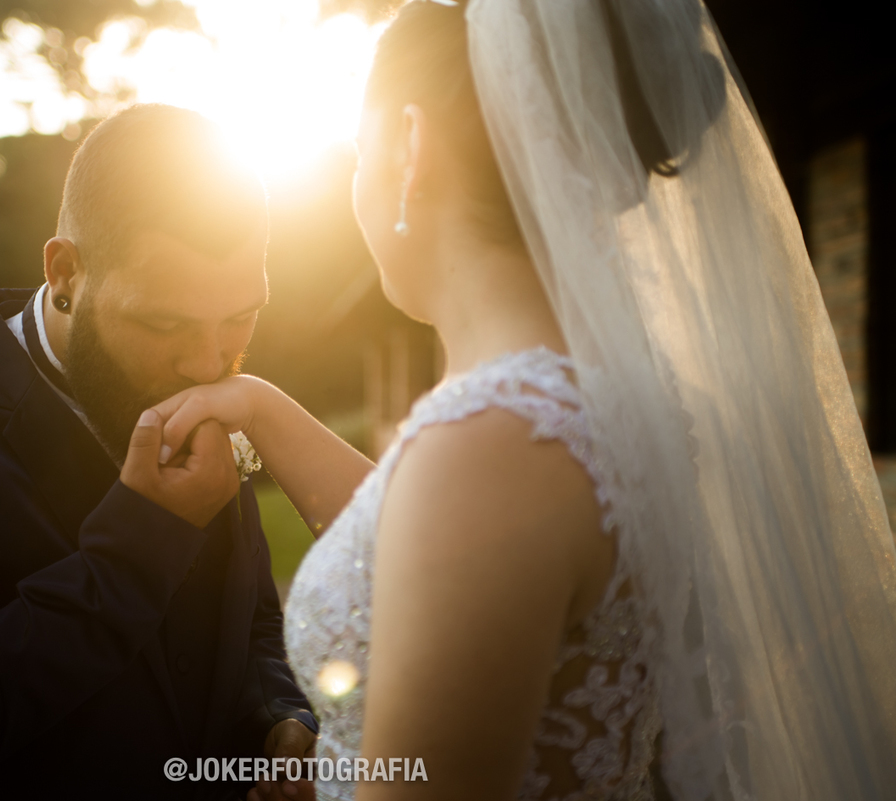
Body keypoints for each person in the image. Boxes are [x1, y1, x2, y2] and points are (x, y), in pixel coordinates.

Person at [151, 1, 896, 799]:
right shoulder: (601, 409)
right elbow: (432, 550)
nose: (357, 186)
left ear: (409, 145)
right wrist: (261, 407)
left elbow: (459, 515)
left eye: (360, 151)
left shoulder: (490, 449)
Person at [0, 104, 317, 800]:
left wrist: (277, 716)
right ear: (66, 272)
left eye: (239, 315)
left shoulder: (202, 382)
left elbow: (249, 612)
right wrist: (141, 543)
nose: (207, 361)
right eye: (163, 320)